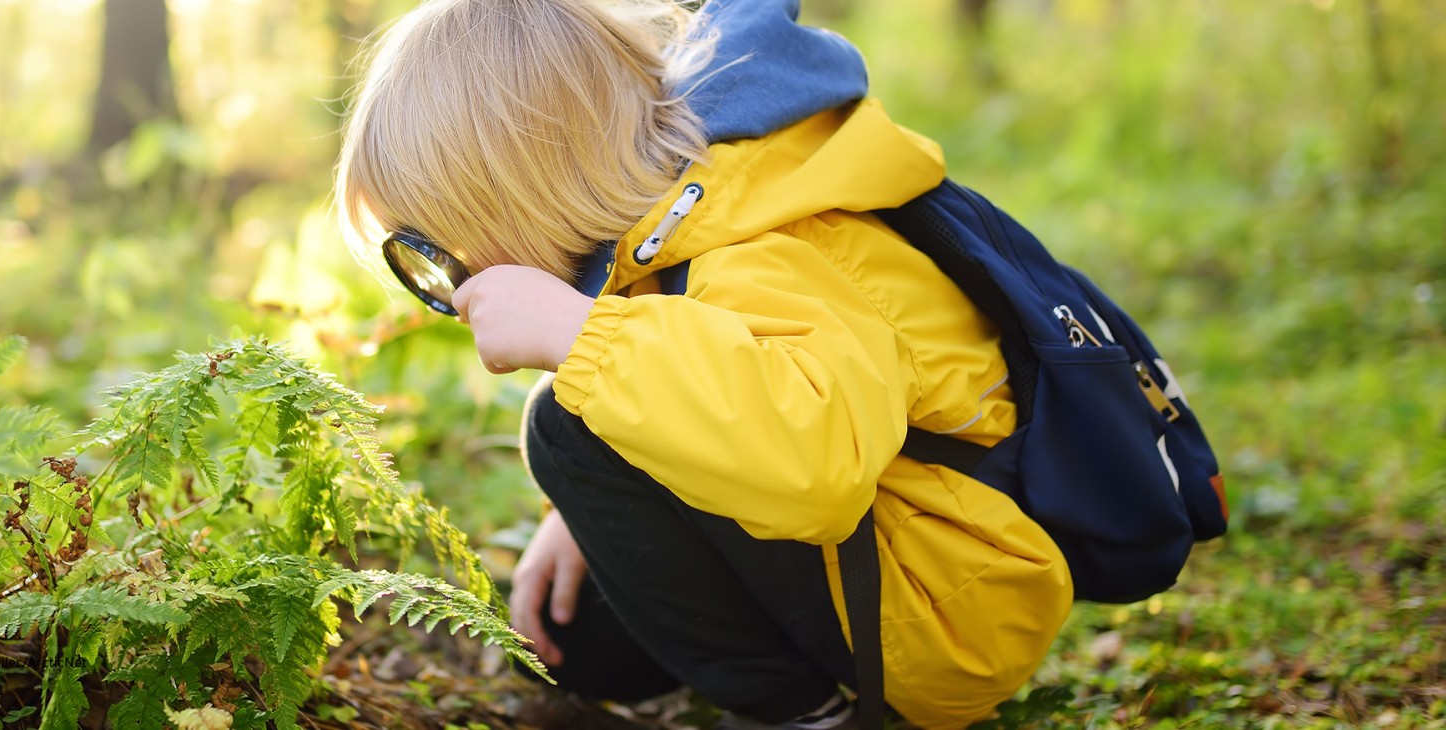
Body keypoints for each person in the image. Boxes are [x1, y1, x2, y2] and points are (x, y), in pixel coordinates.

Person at [332, 0, 1074, 728]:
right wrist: (591, 509)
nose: (448, 288)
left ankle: (803, 715)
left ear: (524, 193)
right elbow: (701, 379)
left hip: (946, 602)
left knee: (562, 425)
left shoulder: (760, 240)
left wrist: (580, 338)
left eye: (439, 254)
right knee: (576, 645)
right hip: (884, 567)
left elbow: (816, 469)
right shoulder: (670, 227)